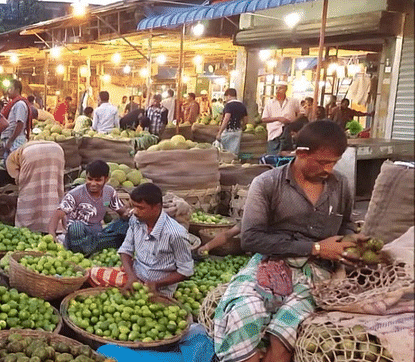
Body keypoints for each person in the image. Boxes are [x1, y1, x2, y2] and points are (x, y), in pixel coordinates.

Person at [213, 120, 360, 362]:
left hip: (317, 273)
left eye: (334, 162)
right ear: (301, 154)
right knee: (243, 313)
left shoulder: (340, 185)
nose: (329, 169)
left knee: (283, 337)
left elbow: (347, 226)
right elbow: (251, 238)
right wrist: (315, 247)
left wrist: (350, 244)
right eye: (323, 162)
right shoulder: (268, 183)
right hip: (271, 263)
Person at [118, 183, 193, 296]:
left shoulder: (175, 234)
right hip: (135, 278)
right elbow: (125, 249)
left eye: (141, 208)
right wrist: (131, 277)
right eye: (134, 206)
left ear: (157, 207)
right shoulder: (135, 220)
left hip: (160, 287)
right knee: (94, 274)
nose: (135, 211)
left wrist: (156, 284)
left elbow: (185, 271)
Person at [48, 160, 129, 255]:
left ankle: (91, 247)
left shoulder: (109, 192)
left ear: (106, 179)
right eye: (90, 179)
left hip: (98, 233)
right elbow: (57, 215)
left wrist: (130, 213)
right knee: (76, 227)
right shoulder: (76, 194)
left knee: (126, 224)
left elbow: (122, 212)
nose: (93, 183)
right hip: (78, 236)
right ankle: (98, 245)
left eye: (98, 180)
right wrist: (51, 236)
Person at [6, 140, 64, 233]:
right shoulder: (20, 151)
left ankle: (27, 226)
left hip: (32, 154)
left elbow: (18, 179)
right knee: (52, 187)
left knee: (28, 190)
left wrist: (20, 181)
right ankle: (53, 226)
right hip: (57, 150)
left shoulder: (10, 161)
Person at [261, 81, 301, 155]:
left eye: (281, 88)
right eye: (277, 88)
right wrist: (278, 118)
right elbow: (264, 119)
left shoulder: (293, 101)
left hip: (288, 133)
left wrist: (293, 122)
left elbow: (301, 113)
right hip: (274, 134)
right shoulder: (270, 103)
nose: (278, 90)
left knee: (287, 156)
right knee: (272, 157)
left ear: (286, 89)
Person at [0, 79, 31, 161]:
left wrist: (10, 141)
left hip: (16, 141)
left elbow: (20, 124)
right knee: (9, 166)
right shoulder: (13, 104)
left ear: (17, 90)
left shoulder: (20, 104)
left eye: (10, 88)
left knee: (13, 167)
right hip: (11, 140)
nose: (8, 91)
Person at [216, 88, 248, 155]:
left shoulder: (229, 105)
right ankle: (233, 163)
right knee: (234, 152)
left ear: (229, 96)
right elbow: (245, 120)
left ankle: (226, 163)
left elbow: (226, 119)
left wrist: (220, 132)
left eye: (226, 97)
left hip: (228, 131)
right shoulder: (242, 105)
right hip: (237, 132)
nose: (226, 99)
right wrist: (241, 126)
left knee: (224, 152)